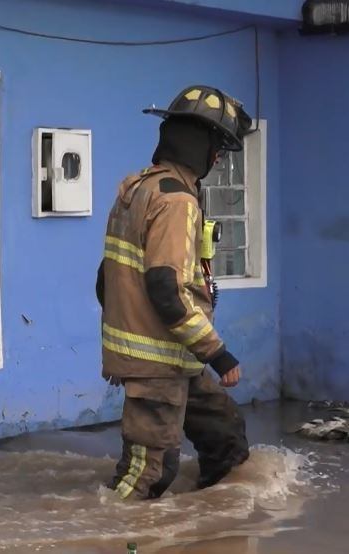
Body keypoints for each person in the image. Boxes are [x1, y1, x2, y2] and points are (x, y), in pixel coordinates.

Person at [96, 85, 253, 500]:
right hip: (159, 360)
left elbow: (105, 280)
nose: (218, 158)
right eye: (217, 147)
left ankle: (210, 526)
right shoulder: (175, 200)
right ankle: (109, 534)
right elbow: (167, 288)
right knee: (148, 473)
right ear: (198, 144)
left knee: (225, 438)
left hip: (173, 354)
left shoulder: (138, 190)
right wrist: (218, 354)